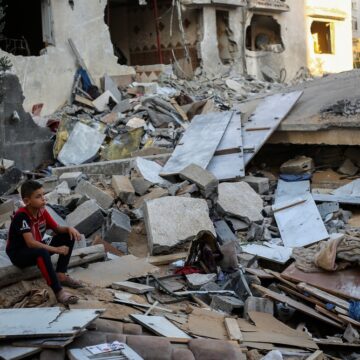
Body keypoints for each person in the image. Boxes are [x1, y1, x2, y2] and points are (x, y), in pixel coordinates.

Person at [6, 180, 84, 305]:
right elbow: (30, 243)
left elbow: (57, 229)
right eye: (38, 196)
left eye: (43, 195)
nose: (43, 199)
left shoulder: (42, 211)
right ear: (27, 201)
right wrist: (56, 249)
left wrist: (69, 228)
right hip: (19, 254)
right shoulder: (21, 216)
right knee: (42, 252)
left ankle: (61, 275)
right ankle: (59, 291)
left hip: (36, 247)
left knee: (67, 235)